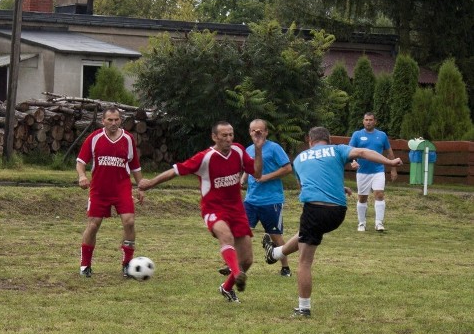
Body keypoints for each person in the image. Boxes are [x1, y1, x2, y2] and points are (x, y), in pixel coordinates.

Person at [263, 126, 402, 317]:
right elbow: (362, 152)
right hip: (338, 213)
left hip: (314, 209)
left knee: (304, 261)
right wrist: (390, 161)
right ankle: (276, 253)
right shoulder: (337, 149)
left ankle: (304, 308)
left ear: (309, 141)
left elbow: (305, 185)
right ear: (328, 139)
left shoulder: (299, 159)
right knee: (306, 233)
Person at [140, 121, 265, 303]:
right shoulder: (204, 158)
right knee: (226, 236)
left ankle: (227, 287)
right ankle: (237, 274)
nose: (229, 139)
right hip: (213, 209)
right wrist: (150, 183)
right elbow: (175, 171)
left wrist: (258, 149)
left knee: (246, 260)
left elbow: (258, 174)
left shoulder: (238, 151)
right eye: (224, 135)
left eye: (231, 135)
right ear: (214, 137)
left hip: (237, 210)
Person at [76, 106, 144, 278]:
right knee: (93, 225)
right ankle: (85, 265)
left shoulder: (128, 139)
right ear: (103, 121)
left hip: (122, 189)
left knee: (129, 222)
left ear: (120, 120)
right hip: (99, 190)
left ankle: (127, 264)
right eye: (110, 120)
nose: (113, 123)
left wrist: (140, 187)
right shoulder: (94, 138)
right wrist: (82, 176)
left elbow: (135, 166)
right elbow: (81, 161)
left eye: (116, 120)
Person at [241, 119, 293, 277]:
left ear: (266, 132)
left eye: (260, 130)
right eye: (253, 131)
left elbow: (288, 168)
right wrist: (243, 179)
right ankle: (237, 266)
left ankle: (285, 268)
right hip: (251, 200)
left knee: (275, 235)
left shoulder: (274, 148)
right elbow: (249, 168)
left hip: (271, 200)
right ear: (249, 132)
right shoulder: (249, 149)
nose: (256, 133)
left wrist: (266, 177)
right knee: (242, 232)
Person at [349, 112, 397, 232]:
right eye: (366, 120)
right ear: (363, 121)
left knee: (379, 194)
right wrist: (353, 161)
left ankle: (379, 223)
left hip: (378, 170)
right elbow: (350, 151)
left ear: (375, 121)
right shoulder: (357, 135)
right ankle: (361, 223)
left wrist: (393, 168)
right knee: (362, 198)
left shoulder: (382, 135)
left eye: (371, 120)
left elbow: (389, 152)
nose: (368, 122)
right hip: (362, 172)